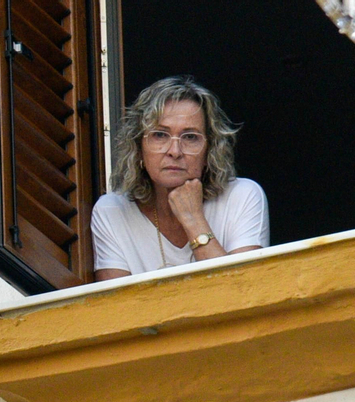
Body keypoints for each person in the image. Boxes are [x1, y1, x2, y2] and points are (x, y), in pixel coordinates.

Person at [92, 76, 268, 281]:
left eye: (190, 137)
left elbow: (244, 293)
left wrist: (193, 218)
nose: (175, 151)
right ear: (139, 148)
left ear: (209, 151)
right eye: (160, 135)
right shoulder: (112, 212)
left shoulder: (242, 197)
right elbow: (116, 309)